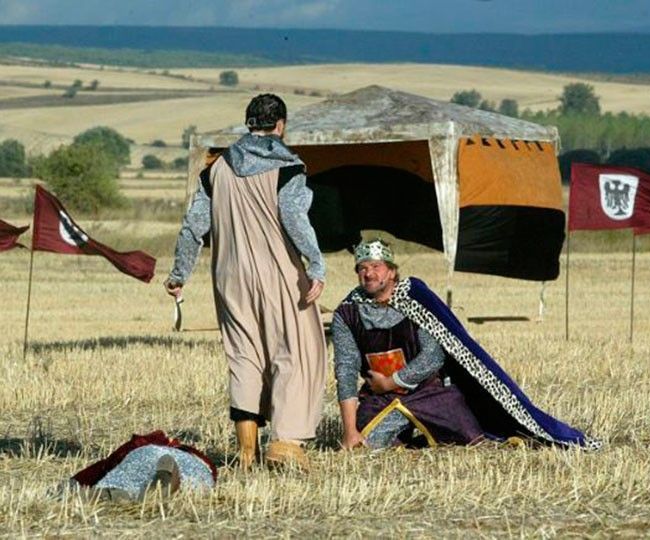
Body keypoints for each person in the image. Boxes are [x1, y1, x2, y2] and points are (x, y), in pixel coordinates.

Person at [165, 94, 327, 470]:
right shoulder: (288, 167)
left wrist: (178, 274)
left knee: (244, 356)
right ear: (281, 125)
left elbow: (193, 227)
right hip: (279, 272)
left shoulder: (215, 169)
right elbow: (294, 219)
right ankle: (284, 442)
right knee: (296, 352)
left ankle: (247, 453)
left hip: (228, 276)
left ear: (248, 123)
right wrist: (316, 263)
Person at [332, 239, 601, 451]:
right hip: (380, 398)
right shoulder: (347, 313)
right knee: (369, 445)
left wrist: (392, 381)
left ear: (391, 271)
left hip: (428, 394)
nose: (368, 273)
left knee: (469, 438)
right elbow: (345, 369)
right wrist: (349, 431)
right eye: (362, 268)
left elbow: (433, 357)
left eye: (375, 266)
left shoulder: (415, 299)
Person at [66, 431, 216, 502]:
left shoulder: (143, 445)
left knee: (122, 479)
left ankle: (111, 492)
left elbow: (102, 467)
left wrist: (73, 483)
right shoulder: (199, 459)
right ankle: (164, 478)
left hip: (149, 454)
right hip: (199, 470)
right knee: (192, 484)